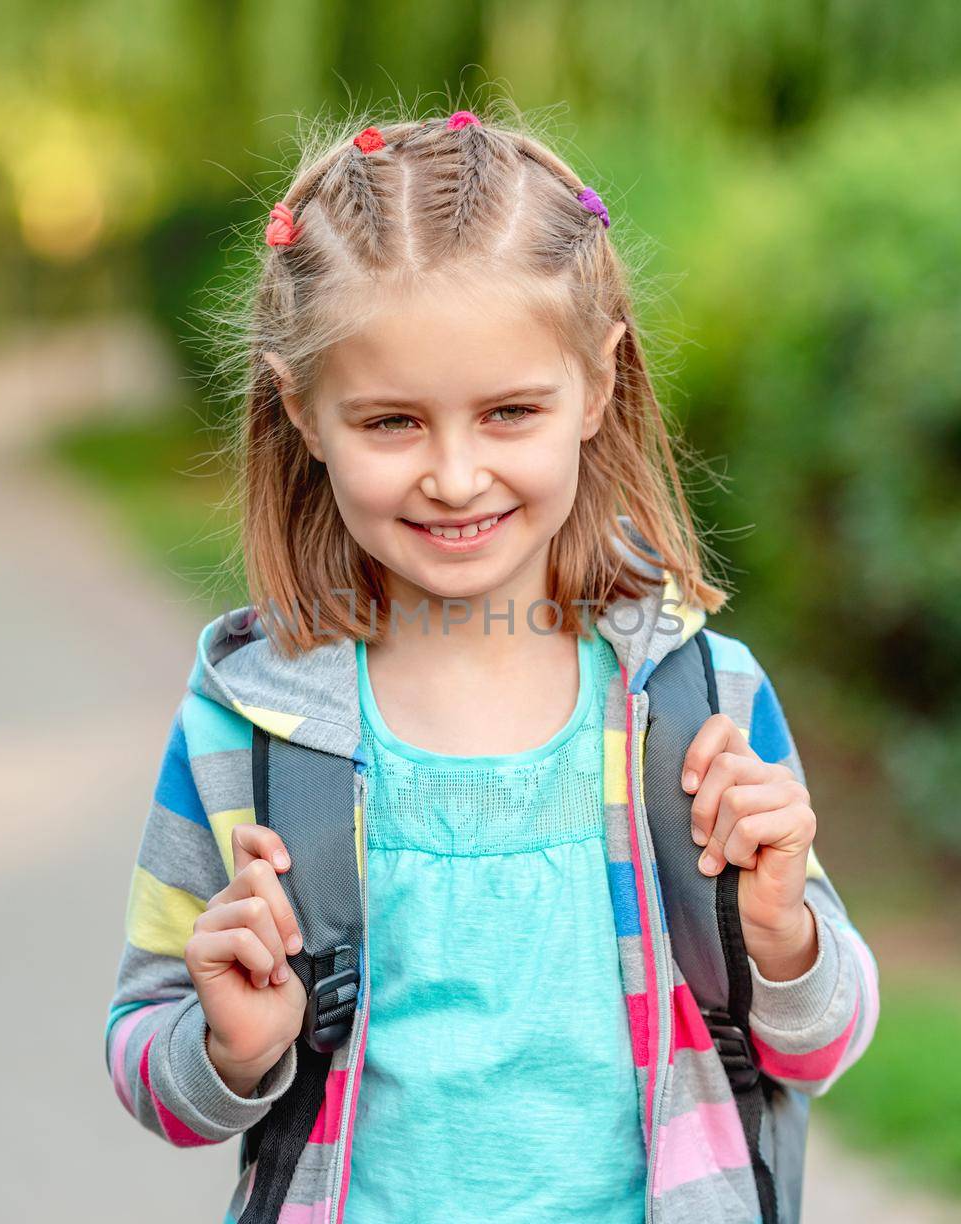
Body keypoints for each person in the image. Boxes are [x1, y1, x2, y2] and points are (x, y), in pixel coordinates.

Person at [104, 106, 879, 1224]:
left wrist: (783, 940)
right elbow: (149, 1061)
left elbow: (820, 1047)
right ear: (303, 413)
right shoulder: (251, 730)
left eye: (510, 411)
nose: (456, 477)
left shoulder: (698, 703)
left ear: (599, 387)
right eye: (392, 424)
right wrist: (228, 1046)